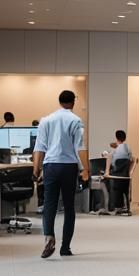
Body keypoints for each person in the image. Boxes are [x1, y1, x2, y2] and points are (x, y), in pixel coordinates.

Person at [33, 89, 88, 260]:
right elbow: (80, 147)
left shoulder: (46, 120)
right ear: (73, 102)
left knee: (49, 204)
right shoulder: (76, 120)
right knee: (69, 206)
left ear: (59, 101)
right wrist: (85, 170)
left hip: (50, 166)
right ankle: (65, 247)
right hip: (68, 166)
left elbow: (39, 146)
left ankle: (49, 236)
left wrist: (36, 169)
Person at [103, 130, 135, 216]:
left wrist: (106, 172)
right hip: (125, 176)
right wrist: (130, 172)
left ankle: (110, 206)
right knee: (123, 189)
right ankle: (124, 206)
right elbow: (132, 160)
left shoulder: (114, 151)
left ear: (116, 137)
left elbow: (109, 157)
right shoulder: (127, 148)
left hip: (116, 176)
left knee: (105, 178)